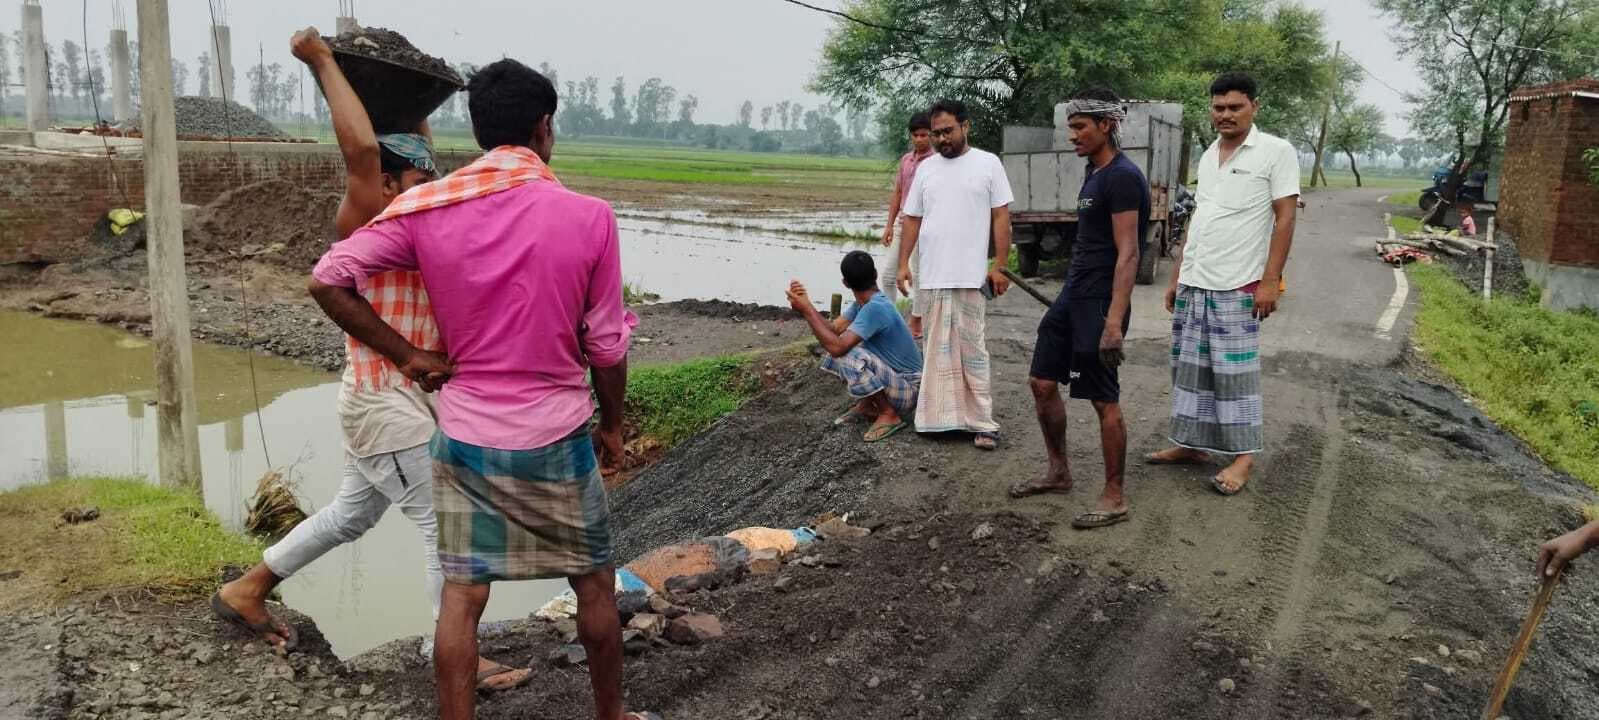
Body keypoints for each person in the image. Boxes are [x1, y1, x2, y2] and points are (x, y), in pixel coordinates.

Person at [308, 59, 656, 720]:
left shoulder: (428, 207)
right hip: (555, 435)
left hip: (464, 435)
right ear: (544, 128)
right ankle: (610, 716)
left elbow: (328, 278)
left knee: (463, 597)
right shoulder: (587, 218)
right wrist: (610, 426)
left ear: (478, 132)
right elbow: (607, 348)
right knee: (593, 585)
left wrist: (410, 355)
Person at [210, 28, 529, 692]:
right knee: (449, 529)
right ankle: (454, 657)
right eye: (416, 178)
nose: (428, 187)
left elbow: (401, 149)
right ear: (385, 181)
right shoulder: (366, 215)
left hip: (393, 401)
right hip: (385, 401)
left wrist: (418, 103)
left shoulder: (408, 214)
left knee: (352, 514)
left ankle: (247, 588)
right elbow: (359, 149)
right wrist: (323, 62)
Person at [1147, 72, 1300, 495]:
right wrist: (1179, 273)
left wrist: (1271, 281)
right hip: (1198, 281)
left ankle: (1244, 458)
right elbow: (1200, 218)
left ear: (1254, 106)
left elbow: (1285, 217)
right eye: (1219, 108)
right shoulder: (1211, 153)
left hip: (1239, 283)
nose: (1225, 115)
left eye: (1235, 107)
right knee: (1189, 370)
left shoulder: (1275, 152)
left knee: (1233, 375)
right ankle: (1191, 445)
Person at [1009, 89, 1148, 531]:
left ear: (1106, 126)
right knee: (1042, 381)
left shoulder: (1123, 177)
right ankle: (1059, 471)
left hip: (1101, 301)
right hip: (1074, 293)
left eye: (1079, 127)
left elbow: (1128, 253)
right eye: (1071, 127)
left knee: (1103, 399)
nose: (1072, 136)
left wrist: (1113, 322)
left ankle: (1114, 496)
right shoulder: (1093, 171)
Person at [897, 98, 1013, 451]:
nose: (942, 139)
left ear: (966, 127)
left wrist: (1001, 266)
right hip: (931, 276)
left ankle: (982, 423)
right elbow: (913, 219)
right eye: (936, 134)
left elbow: (1001, 217)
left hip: (969, 276)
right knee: (935, 349)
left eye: (947, 131)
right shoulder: (926, 170)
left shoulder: (988, 164)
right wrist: (903, 263)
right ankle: (939, 420)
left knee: (972, 350)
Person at [787, 251, 924, 442]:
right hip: (897, 381)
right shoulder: (863, 304)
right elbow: (834, 329)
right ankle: (868, 404)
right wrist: (807, 306)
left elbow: (838, 348)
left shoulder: (876, 307)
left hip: (909, 389)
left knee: (849, 355)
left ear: (845, 283)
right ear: (875, 274)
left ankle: (889, 414)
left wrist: (807, 311)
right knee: (841, 348)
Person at [880, 111, 935, 338]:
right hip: (904, 223)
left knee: (920, 274)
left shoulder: (935, 162)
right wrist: (889, 225)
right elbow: (898, 193)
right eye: (916, 135)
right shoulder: (906, 160)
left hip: (925, 225)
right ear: (911, 136)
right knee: (888, 275)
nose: (920, 139)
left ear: (931, 135)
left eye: (924, 135)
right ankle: (892, 320)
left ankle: (916, 320)